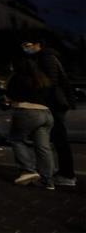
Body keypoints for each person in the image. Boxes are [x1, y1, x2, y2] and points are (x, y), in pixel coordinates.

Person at [20, 34, 77, 187]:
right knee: (56, 140)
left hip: (54, 104)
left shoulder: (45, 57)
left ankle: (67, 175)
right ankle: (62, 173)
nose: (26, 48)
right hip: (55, 103)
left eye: (28, 44)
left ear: (38, 44)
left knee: (60, 140)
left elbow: (50, 84)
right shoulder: (46, 57)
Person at [6, 55, 56, 189]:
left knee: (16, 139)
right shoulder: (42, 78)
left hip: (27, 111)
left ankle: (28, 170)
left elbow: (10, 94)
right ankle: (48, 181)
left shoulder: (17, 77)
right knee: (43, 147)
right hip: (46, 113)